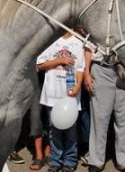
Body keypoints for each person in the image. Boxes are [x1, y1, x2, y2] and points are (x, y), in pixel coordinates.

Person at [37, 31, 85, 172]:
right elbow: (39, 65)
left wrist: (78, 86)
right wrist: (59, 61)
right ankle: (55, 161)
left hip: (70, 95)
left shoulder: (78, 42)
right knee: (54, 131)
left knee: (71, 131)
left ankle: (70, 161)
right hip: (53, 94)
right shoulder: (51, 41)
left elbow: (80, 68)